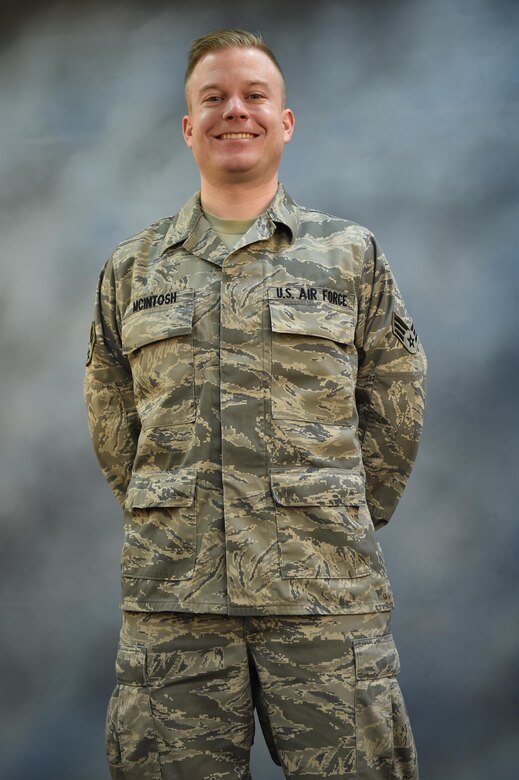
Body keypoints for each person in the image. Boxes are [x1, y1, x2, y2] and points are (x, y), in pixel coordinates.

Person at [84, 28, 426, 780]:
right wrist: (175, 512)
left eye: (252, 95)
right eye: (213, 98)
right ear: (187, 126)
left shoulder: (349, 255)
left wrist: (331, 514)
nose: (233, 111)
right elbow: (113, 417)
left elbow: (394, 398)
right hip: (175, 599)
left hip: (324, 596)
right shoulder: (131, 270)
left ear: (284, 120)